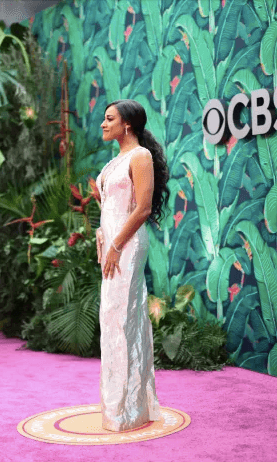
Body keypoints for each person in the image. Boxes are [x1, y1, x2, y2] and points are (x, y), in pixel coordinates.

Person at [95, 99, 170, 431]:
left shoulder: (140, 156)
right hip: (112, 246)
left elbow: (142, 209)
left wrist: (115, 243)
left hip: (127, 246)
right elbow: (110, 206)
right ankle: (120, 406)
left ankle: (128, 409)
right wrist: (102, 235)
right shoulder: (115, 161)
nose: (102, 123)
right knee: (113, 319)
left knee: (124, 319)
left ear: (127, 124)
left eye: (109, 118)